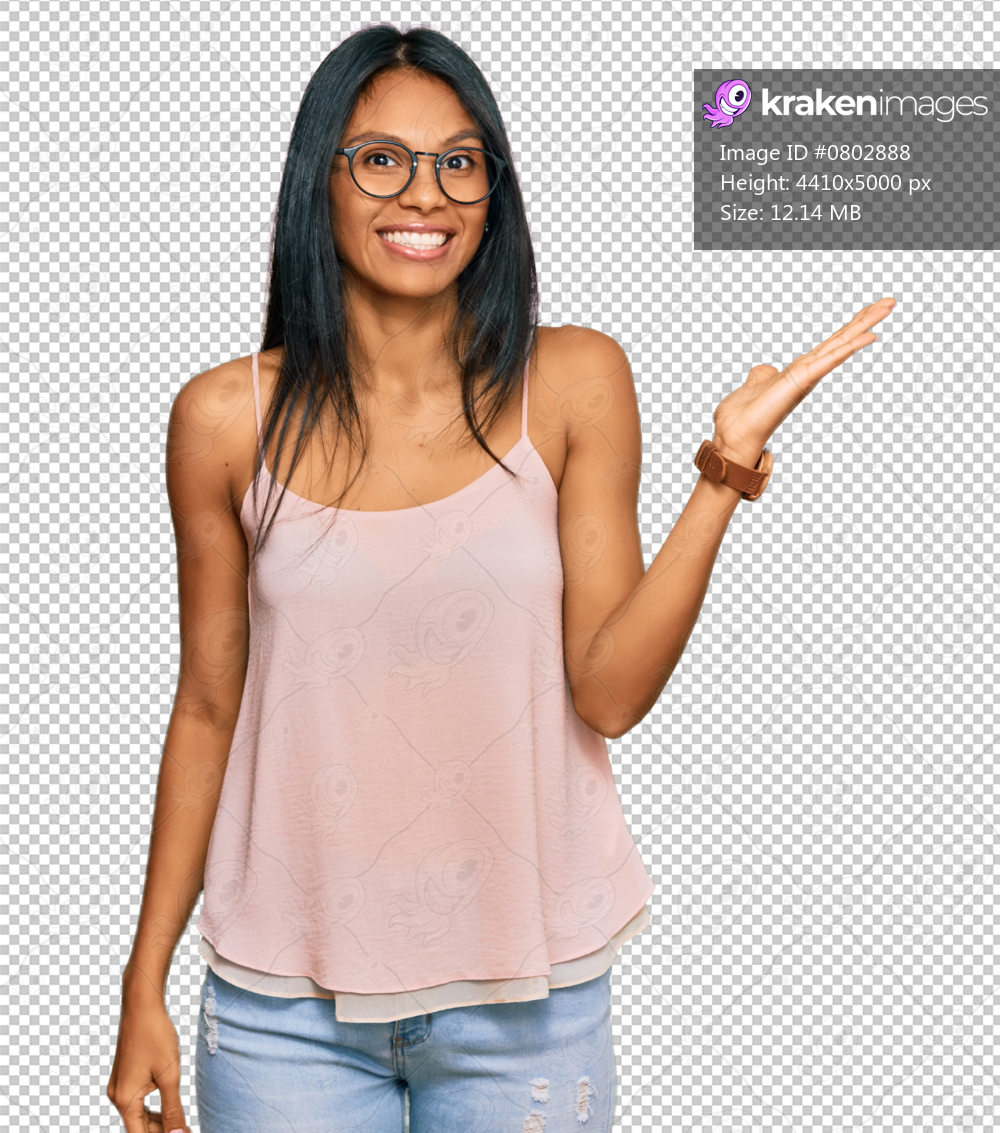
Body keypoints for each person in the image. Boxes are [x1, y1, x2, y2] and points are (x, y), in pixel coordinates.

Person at [105, 23, 896, 1133]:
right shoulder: (225, 417)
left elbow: (609, 691)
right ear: (318, 181)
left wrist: (725, 473)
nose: (423, 193)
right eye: (380, 157)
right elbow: (205, 702)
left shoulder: (572, 380)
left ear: (491, 190)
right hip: (283, 1005)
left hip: (528, 1001)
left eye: (459, 160)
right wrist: (143, 979)